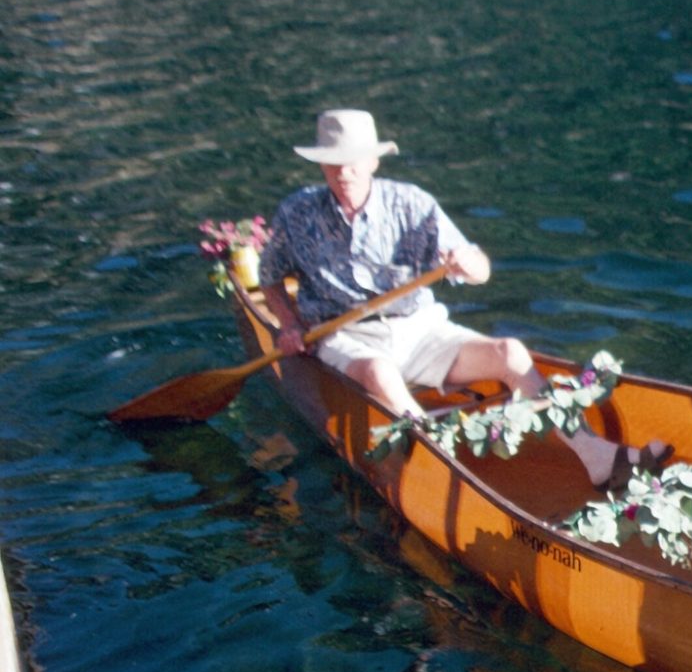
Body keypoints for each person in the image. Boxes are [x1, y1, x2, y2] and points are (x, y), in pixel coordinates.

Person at [256, 109, 668, 491]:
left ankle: (597, 457)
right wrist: (289, 324)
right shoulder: (297, 212)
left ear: (374, 161)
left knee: (509, 352)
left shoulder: (411, 203)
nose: (343, 172)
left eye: (353, 161)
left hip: (418, 328)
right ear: (321, 164)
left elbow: (480, 269)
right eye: (333, 162)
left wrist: (469, 265)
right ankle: (448, 473)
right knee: (380, 372)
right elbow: (270, 276)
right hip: (345, 335)